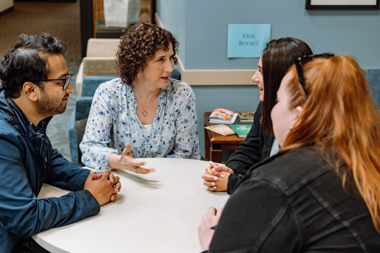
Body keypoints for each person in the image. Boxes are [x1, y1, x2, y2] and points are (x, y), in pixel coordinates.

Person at [198, 54, 380, 252]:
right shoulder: (367, 161)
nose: (273, 110)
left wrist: (211, 243)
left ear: (299, 116)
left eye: (277, 101)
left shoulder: (270, 185)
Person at [0, 34, 121, 253]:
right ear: (30, 90)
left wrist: (86, 178)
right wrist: (90, 197)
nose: (70, 89)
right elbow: (23, 217)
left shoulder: (29, 115)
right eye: (61, 82)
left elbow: (47, 159)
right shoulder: (3, 139)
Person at [80, 23, 201, 173]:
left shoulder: (182, 94)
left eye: (171, 58)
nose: (170, 67)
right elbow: (90, 148)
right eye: (160, 60)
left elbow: (186, 155)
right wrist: (119, 161)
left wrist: (150, 172)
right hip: (122, 181)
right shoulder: (108, 93)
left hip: (169, 180)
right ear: (138, 62)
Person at [202, 38, 312, 193]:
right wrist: (229, 170)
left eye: (261, 71)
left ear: (281, 77)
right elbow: (250, 148)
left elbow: (279, 184)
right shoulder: (266, 104)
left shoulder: (306, 124)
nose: (254, 78)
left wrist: (233, 183)